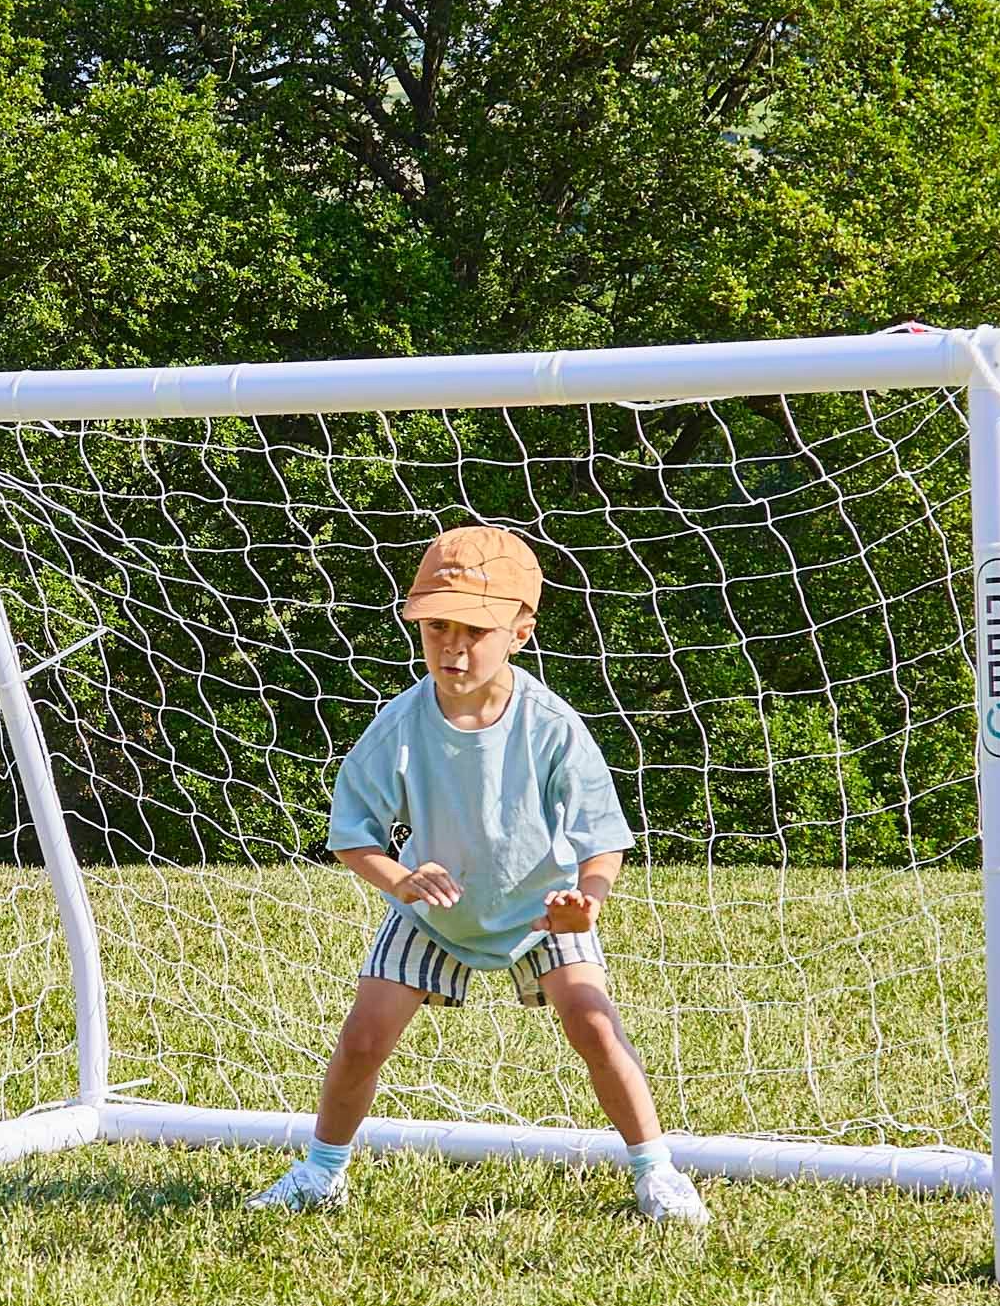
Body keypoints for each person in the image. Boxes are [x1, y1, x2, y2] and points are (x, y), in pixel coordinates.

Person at [246, 521, 707, 1227]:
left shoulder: (551, 725)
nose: (453, 647)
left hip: (540, 913)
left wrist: (586, 902)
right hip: (432, 913)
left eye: (474, 630)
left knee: (592, 1024)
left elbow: (602, 840)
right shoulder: (399, 723)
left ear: (520, 632)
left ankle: (656, 1171)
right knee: (364, 1036)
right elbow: (351, 836)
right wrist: (400, 880)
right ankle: (319, 1171)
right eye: (437, 629)